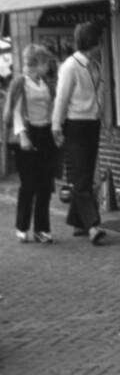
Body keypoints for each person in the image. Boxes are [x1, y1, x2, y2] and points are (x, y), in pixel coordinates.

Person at [51, 20, 106, 245]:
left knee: (85, 172)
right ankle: (93, 226)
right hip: (75, 125)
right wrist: (56, 125)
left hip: (92, 124)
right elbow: (62, 98)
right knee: (82, 178)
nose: (102, 46)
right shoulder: (70, 67)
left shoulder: (95, 65)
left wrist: (103, 118)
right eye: (99, 42)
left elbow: (99, 95)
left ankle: (78, 223)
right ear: (92, 42)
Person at [4, 43, 56, 243]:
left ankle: (42, 229)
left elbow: (51, 106)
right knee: (28, 184)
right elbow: (16, 111)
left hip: (45, 133)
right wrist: (23, 135)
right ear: (38, 63)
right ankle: (22, 226)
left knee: (45, 184)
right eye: (45, 63)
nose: (48, 67)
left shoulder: (45, 83)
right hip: (27, 133)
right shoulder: (20, 83)